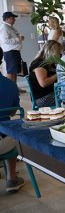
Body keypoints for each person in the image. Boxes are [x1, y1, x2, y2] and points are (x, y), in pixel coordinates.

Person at [0, 48, 25, 193]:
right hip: (3, 143)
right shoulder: (10, 85)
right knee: (13, 132)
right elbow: (13, 111)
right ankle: (11, 178)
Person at [28, 40, 65, 108]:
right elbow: (43, 83)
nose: (60, 56)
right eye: (59, 54)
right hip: (43, 98)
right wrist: (59, 74)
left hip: (51, 94)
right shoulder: (39, 64)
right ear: (52, 53)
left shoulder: (50, 64)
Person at [0, 12, 25, 86]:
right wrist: (18, 39)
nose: (14, 19)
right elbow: (5, 41)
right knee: (10, 72)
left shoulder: (10, 27)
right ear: (7, 19)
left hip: (14, 52)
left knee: (14, 72)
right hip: (10, 52)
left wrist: (20, 38)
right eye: (12, 18)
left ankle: (14, 88)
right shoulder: (4, 27)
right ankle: (9, 89)